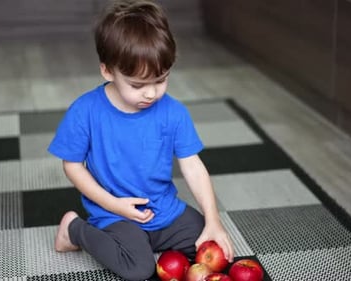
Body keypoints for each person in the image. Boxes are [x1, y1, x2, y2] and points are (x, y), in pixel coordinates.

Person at [47, 0, 234, 280]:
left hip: (164, 211)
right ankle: (74, 230)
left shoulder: (174, 112)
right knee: (139, 270)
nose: (151, 94)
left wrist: (213, 219)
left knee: (212, 246)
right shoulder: (85, 111)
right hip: (116, 213)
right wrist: (113, 205)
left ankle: (144, 242)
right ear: (107, 70)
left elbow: (193, 166)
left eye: (161, 80)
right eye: (137, 85)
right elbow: (72, 165)